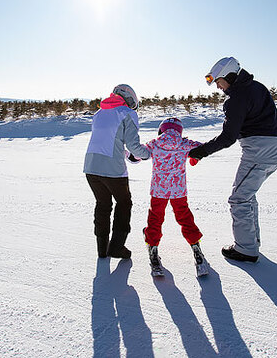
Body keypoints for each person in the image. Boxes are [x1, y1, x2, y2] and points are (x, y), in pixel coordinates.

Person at [189, 57, 277, 262]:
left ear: (229, 76)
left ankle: (245, 249)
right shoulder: (257, 87)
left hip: (259, 152)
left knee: (238, 199)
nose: (217, 86)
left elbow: (228, 137)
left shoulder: (236, 98)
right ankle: (251, 243)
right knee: (247, 195)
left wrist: (200, 152)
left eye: (218, 81)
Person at [84, 84, 150, 259]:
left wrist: (127, 155)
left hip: (91, 167)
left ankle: (102, 249)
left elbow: (110, 140)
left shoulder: (98, 114)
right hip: (113, 171)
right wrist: (148, 154)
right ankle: (117, 247)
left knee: (103, 205)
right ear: (130, 99)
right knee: (124, 203)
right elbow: (134, 145)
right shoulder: (128, 113)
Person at [142, 117, 209, 275]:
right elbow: (202, 149)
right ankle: (196, 250)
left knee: (155, 218)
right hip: (179, 190)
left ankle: (153, 250)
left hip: (159, 190)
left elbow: (139, 153)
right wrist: (193, 157)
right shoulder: (185, 144)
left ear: (162, 129)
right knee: (184, 217)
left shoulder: (155, 143)